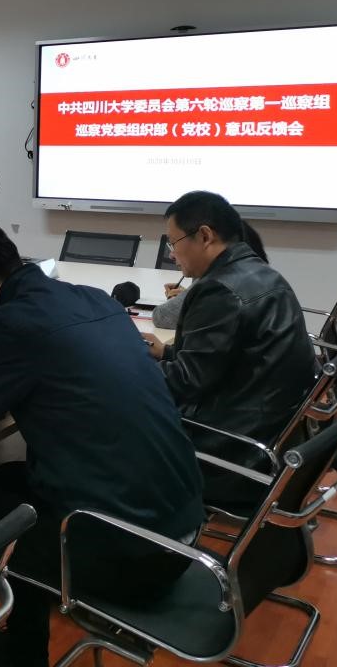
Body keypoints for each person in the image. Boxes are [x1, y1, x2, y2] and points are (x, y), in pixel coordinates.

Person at [0, 224, 203, 667]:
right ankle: (23, 633)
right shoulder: (94, 299)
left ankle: (7, 654)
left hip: (133, 555)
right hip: (183, 526)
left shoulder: (14, 324)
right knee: (7, 479)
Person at [141, 191, 314, 497]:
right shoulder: (262, 273)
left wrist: (124, 364)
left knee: (112, 413)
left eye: (173, 242)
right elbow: (227, 359)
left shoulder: (219, 291)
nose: (172, 253)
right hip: (271, 432)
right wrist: (166, 352)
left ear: (204, 236)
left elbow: (185, 383)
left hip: (230, 450)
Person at [152, 220, 267, 329]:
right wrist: (189, 297)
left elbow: (163, 316)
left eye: (175, 244)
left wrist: (176, 299)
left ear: (206, 238)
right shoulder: (259, 275)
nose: (171, 255)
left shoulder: (218, 279)